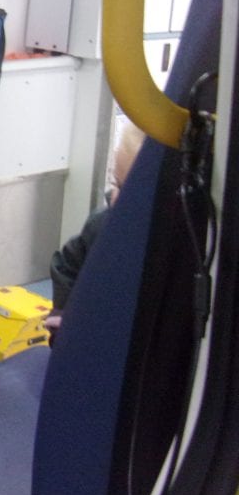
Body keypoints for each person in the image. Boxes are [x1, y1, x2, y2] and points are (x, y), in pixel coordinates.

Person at [47, 120, 145, 335]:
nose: (116, 198)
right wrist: (65, 315)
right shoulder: (102, 225)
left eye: (128, 192)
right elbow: (66, 265)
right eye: (115, 183)